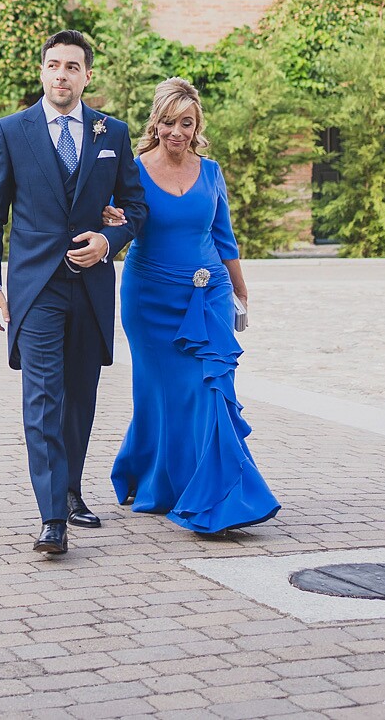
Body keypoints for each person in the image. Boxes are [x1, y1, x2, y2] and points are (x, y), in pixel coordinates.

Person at [0, 30, 148, 556]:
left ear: (87, 76)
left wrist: (109, 239)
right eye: (54, 65)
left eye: (73, 67)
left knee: (80, 399)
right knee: (43, 398)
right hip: (36, 289)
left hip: (91, 287)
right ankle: (53, 519)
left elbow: (136, 209)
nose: (62, 75)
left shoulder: (111, 134)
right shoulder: (12, 131)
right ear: (42, 71)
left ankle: (71, 489)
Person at [104, 77, 279, 535]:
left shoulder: (212, 171)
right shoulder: (133, 169)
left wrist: (241, 290)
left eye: (187, 122)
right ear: (156, 123)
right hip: (149, 297)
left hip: (209, 294)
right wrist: (107, 218)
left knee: (210, 390)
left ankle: (221, 495)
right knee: (159, 394)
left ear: (197, 125)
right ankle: (156, 481)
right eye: (169, 122)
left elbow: (224, 236)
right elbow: (112, 220)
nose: (177, 131)